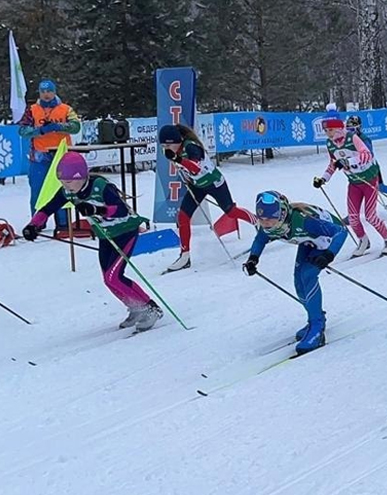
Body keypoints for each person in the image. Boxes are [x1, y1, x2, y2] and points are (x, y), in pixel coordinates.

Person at [22, 152, 163, 332]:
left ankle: (150, 307)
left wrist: (96, 209)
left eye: (70, 181)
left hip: (125, 232)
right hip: (105, 235)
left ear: (81, 177)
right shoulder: (68, 192)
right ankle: (135, 306)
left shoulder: (100, 187)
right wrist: (33, 225)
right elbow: (48, 208)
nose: (66, 186)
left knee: (114, 276)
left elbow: (120, 210)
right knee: (108, 280)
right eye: (62, 182)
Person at [243, 191, 349, 355]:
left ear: (283, 213)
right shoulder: (270, 225)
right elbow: (261, 238)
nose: (266, 223)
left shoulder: (304, 221)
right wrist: (253, 259)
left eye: (271, 218)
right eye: (261, 219)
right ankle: (314, 319)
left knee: (308, 275)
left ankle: (317, 327)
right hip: (308, 240)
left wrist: (328, 255)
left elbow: (341, 231)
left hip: (325, 240)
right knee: (298, 281)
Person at [159, 124, 257, 272]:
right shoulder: (173, 152)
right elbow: (187, 169)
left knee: (230, 211)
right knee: (183, 217)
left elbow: (196, 167)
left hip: (214, 183)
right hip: (197, 185)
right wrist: (185, 175)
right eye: (163, 145)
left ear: (177, 141)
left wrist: (178, 160)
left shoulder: (191, 147)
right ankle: (185, 256)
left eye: (168, 144)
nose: (166, 148)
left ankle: (257, 221)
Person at [314, 113, 387, 257]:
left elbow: (367, 155)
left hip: (369, 180)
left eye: (330, 130)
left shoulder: (352, 137)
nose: (327, 134)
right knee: (353, 218)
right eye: (326, 131)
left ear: (338, 129)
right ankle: (363, 241)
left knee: (370, 216)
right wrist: (323, 179)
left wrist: (348, 162)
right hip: (354, 182)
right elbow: (333, 164)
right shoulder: (330, 144)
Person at [17, 79, 81, 233]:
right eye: (43, 92)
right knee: (38, 191)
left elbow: (76, 127)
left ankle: (64, 222)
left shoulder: (66, 109)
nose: (46, 95)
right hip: (39, 157)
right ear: (39, 93)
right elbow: (22, 130)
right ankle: (37, 223)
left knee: (64, 189)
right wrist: (39, 131)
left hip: (61, 156)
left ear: (54, 92)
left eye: (49, 91)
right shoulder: (32, 109)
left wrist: (59, 127)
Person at [346, 114, 387, 212]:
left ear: (358, 128)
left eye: (352, 130)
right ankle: (353, 213)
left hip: (370, 168)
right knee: (356, 190)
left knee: (379, 187)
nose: (349, 132)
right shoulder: (348, 139)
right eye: (348, 129)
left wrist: (355, 160)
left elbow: (369, 154)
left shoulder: (364, 139)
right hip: (355, 169)